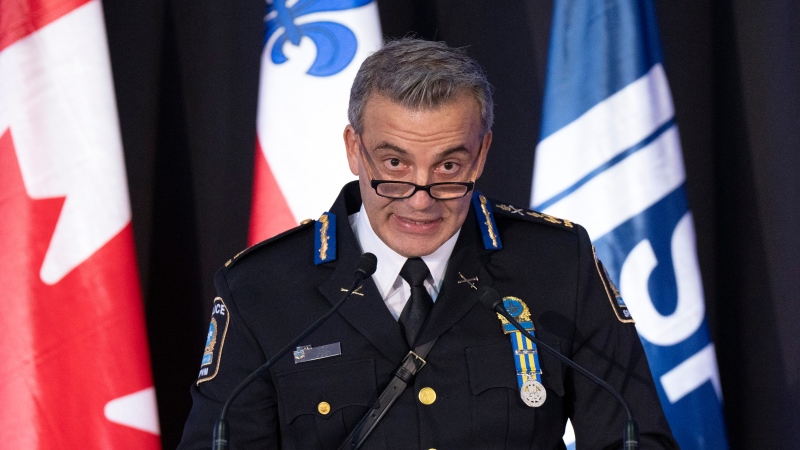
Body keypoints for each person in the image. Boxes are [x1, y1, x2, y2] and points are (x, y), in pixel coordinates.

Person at [178, 38, 677, 449]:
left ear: (480, 155)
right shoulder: (261, 289)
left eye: (448, 167)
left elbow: (634, 439)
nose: (420, 200)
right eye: (394, 166)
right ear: (355, 150)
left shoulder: (555, 264)